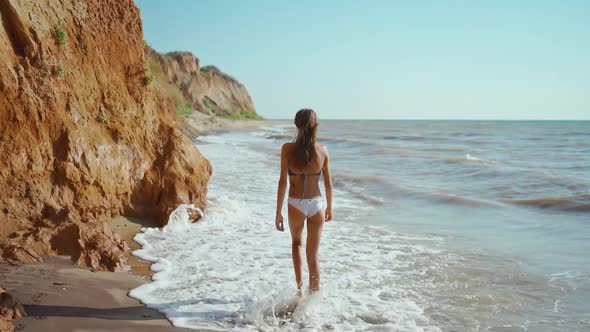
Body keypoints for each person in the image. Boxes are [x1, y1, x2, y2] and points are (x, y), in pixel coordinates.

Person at [275, 108, 333, 294]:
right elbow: (329, 184)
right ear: (315, 126)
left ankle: (300, 291)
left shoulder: (287, 149)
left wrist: (278, 212)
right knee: (313, 255)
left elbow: (283, 181)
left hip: (295, 204)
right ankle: (313, 299)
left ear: (296, 125)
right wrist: (329, 207)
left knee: (296, 244)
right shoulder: (323, 151)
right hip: (317, 204)